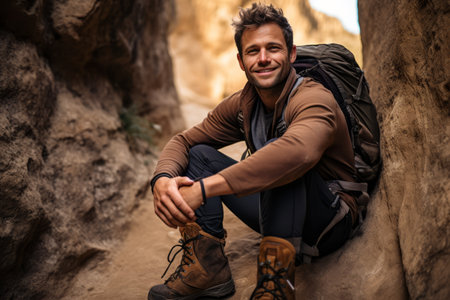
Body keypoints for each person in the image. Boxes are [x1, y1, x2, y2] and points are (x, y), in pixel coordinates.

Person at [148, 3, 357, 300]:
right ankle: (209, 271)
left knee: (279, 154)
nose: (263, 59)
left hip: (328, 220)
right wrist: (162, 179)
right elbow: (183, 141)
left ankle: (275, 288)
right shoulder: (244, 104)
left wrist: (204, 190)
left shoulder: (313, 97)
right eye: (252, 51)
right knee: (199, 155)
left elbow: (299, 154)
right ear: (240, 61)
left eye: (273, 48)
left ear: (292, 54)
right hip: (275, 211)